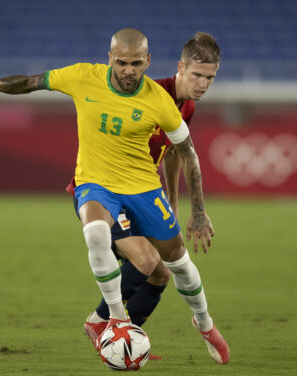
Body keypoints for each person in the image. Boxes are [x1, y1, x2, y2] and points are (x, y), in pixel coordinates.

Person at [0, 28, 229, 365]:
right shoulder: (86, 78)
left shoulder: (169, 103)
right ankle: (111, 322)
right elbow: (33, 82)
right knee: (124, 249)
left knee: (168, 268)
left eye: (136, 63)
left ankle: (165, 332)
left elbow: (180, 152)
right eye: (122, 62)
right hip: (96, 185)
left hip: (142, 188)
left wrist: (184, 204)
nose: (129, 70)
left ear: (148, 61)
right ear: (111, 59)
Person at [72, 32, 222, 360]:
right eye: (196, 75)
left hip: (141, 191)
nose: (202, 83)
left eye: (210, 77)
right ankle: (101, 324)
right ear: (180, 68)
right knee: (147, 260)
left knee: (161, 273)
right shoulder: (152, 94)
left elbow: (172, 153)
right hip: (108, 190)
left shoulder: (188, 106)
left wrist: (172, 198)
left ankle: (127, 341)